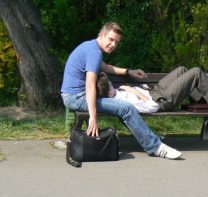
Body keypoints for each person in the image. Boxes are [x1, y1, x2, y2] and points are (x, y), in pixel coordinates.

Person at [61, 22, 182, 160]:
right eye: (110, 39)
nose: (113, 44)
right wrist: (93, 117)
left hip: (74, 96)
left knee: (122, 108)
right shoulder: (94, 52)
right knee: (126, 108)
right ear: (101, 35)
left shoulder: (91, 47)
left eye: (116, 42)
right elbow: (89, 85)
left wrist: (128, 71)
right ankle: (155, 147)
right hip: (76, 97)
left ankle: (149, 136)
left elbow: (106, 67)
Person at [96, 67, 208, 112]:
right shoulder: (121, 100)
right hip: (161, 100)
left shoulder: (116, 92)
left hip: (154, 90)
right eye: (110, 86)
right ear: (108, 93)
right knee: (195, 72)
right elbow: (151, 107)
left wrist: (129, 84)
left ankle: (203, 101)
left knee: (182, 69)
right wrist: (132, 91)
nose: (112, 85)